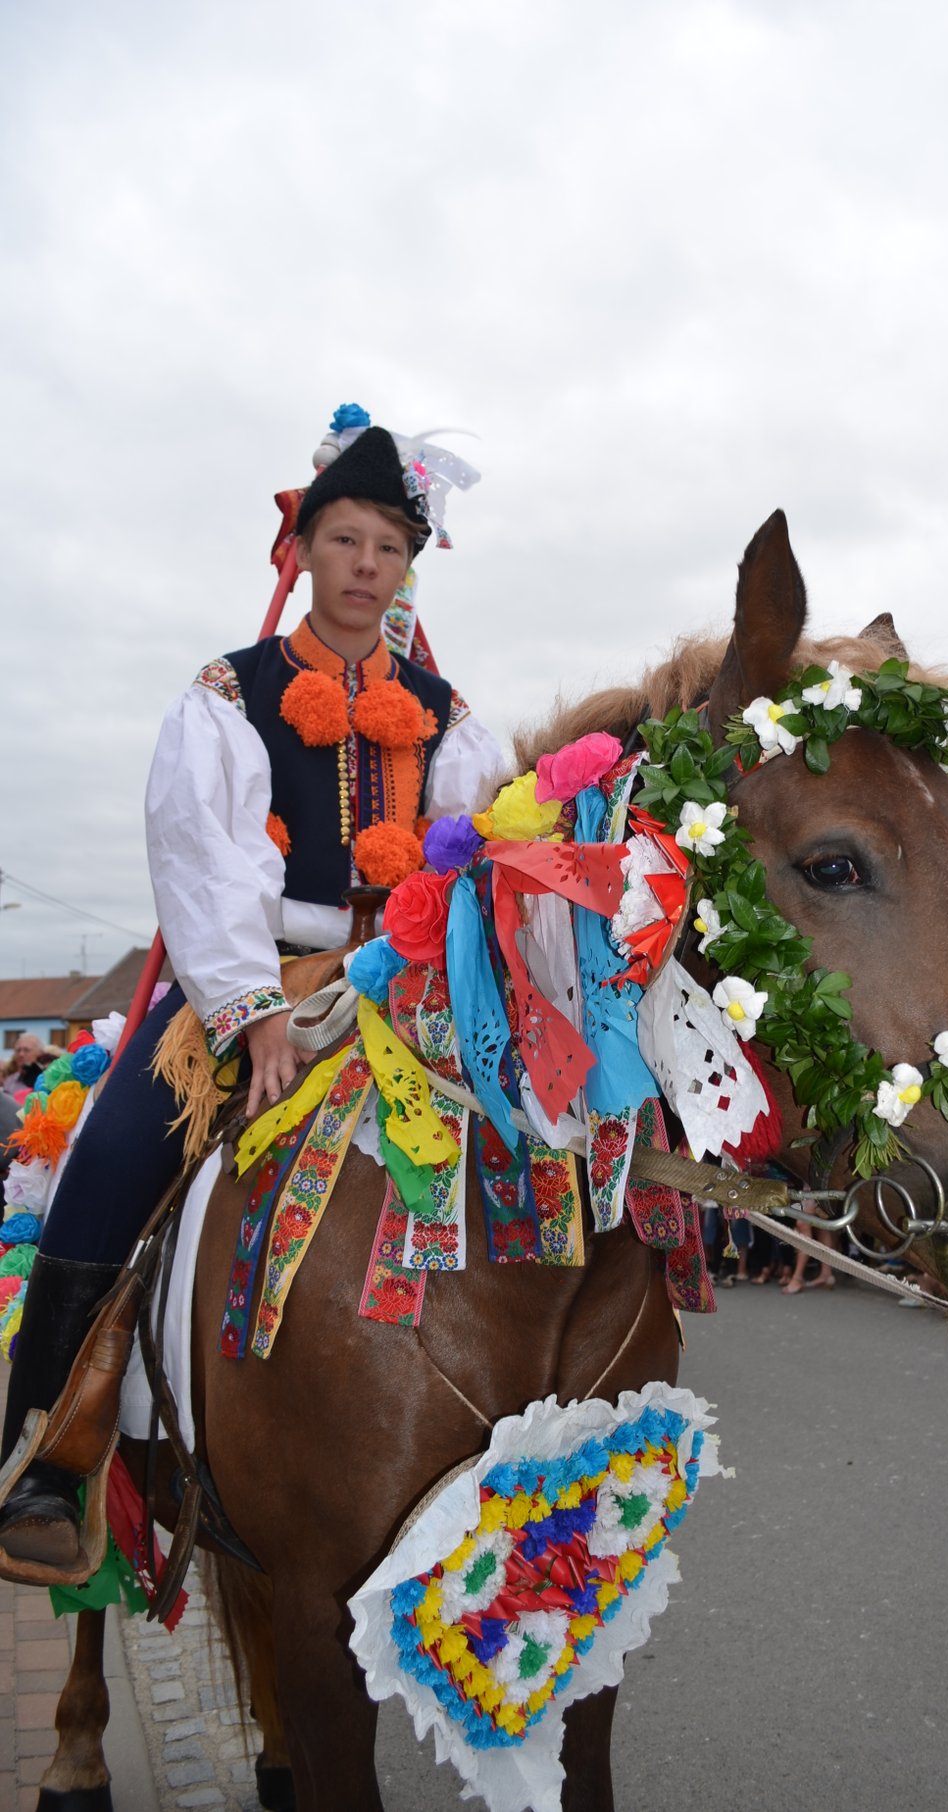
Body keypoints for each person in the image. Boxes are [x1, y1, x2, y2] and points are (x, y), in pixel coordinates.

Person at [0, 416, 506, 1579]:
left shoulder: (451, 714)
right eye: (345, 538)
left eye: (387, 544)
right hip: (248, 980)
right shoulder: (229, 692)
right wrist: (251, 1013)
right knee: (115, 1150)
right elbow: (202, 860)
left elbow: (467, 854)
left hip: (399, 984)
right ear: (308, 549)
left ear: (404, 567)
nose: (366, 563)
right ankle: (47, 1457)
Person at [2, 1034, 46, 1102]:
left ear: (40, 1053)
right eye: (18, 1050)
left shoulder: (46, 1080)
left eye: (26, 1050)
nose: (21, 1054)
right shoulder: (10, 1080)